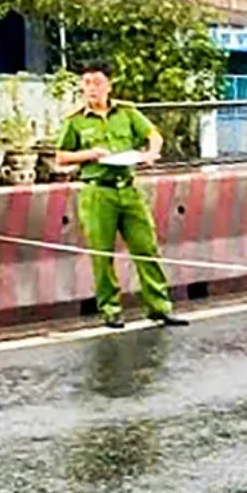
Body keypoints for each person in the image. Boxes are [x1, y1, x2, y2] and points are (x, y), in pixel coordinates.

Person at [55, 62, 188, 330]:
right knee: (101, 253)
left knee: (145, 247)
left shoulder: (126, 113)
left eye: (97, 82)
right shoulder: (75, 121)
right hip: (97, 190)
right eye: (87, 83)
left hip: (127, 187)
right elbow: (61, 158)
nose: (92, 88)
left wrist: (150, 153)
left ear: (109, 85)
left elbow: (153, 135)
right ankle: (110, 309)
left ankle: (159, 306)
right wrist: (90, 154)